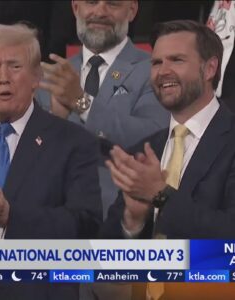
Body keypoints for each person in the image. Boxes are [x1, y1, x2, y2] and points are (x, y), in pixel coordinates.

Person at [0, 23, 102, 300]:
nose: (3, 78)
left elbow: (86, 223)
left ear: (36, 76)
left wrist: (12, 217)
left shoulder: (72, 141)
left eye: (14, 66)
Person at [101, 19, 235, 300]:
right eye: (156, 62)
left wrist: (161, 196)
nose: (163, 72)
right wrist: (133, 222)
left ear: (210, 68)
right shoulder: (145, 150)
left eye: (177, 60)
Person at [36, 0, 169, 219]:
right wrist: (55, 121)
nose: (100, 12)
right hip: (56, 217)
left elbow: (153, 139)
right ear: (76, 7)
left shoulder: (154, 70)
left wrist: (81, 103)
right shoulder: (52, 76)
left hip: (117, 215)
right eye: (91, 2)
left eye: (113, 4)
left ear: (132, 10)